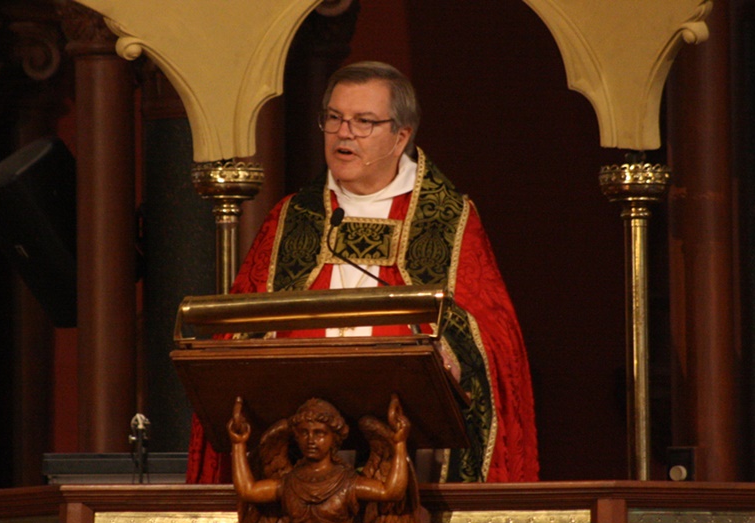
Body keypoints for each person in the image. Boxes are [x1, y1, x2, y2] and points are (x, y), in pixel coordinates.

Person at [187, 60, 539, 492]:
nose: (343, 133)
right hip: (297, 456)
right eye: (333, 118)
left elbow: (493, 334)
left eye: (363, 122)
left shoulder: (447, 219)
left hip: (410, 452)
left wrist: (452, 356)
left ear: (402, 136)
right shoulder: (291, 219)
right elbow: (239, 329)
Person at [228, 396, 413, 523]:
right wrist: (238, 444)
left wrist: (399, 444)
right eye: (304, 433)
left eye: (320, 433)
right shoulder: (288, 482)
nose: (311, 440)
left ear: (334, 438)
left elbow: (392, 491)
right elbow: (248, 490)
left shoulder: (348, 481)